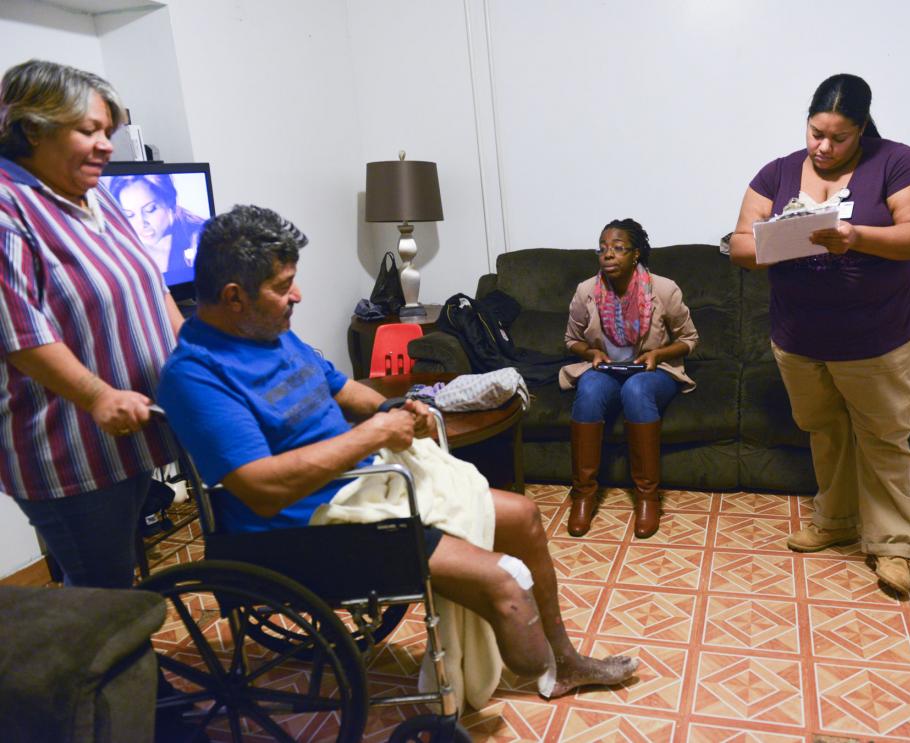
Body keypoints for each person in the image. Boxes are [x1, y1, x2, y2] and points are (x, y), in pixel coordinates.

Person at [156, 204, 638, 699]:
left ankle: (567, 663)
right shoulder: (197, 378)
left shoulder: (272, 336)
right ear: (234, 297)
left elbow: (345, 390)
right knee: (507, 588)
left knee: (524, 517)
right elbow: (261, 488)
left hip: (364, 481)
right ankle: (521, 658)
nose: (296, 295)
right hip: (310, 525)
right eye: (283, 286)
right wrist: (372, 435)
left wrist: (398, 407)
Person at [728, 74, 910, 597]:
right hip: (798, 338)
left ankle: (892, 545)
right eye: (815, 132)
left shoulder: (897, 163)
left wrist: (855, 236)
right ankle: (836, 519)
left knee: (884, 441)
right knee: (825, 431)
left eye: (839, 137)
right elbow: (738, 243)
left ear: (863, 129)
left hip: (875, 338)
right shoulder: (776, 172)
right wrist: (780, 240)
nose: (823, 147)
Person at [0, 60, 184, 589]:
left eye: (109, 131)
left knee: (120, 573)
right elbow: (20, 334)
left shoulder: (96, 193)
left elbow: (153, 283)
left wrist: (194, 352)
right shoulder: (9, 208)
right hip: (69, 444)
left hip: (132, 429)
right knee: (101, 593)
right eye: (88, 131)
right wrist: (100, 395)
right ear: (32, 128)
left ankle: (129, 668)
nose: (106, 145)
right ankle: (105, 673)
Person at [560, 219, 698, 539]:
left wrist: (657, 355)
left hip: (653, 371)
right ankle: (583, 496)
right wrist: (591, 354)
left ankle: (647, 498)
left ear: (635, 254)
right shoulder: (586, 291)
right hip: (606, 370)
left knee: (636, 390)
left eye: (618, 248)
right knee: (590, 388)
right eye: (603, 248)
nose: (608, 255)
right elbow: (571, 340)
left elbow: (689, 339)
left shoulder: (663, 289)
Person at [107, 174, 206, 285]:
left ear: (171, 203)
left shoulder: (201, 237)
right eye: (130, 215)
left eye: (150, 209)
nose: (141, 223)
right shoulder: (118, 247)